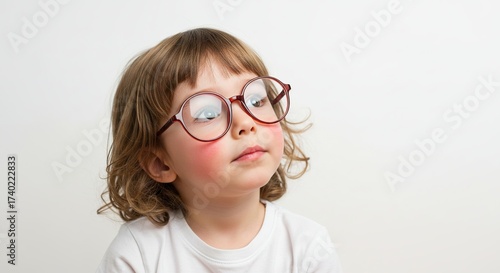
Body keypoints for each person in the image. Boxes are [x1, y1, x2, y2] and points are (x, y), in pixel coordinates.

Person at [96, 27, 342, 273]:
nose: (246, 123)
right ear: (161, 163)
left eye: (256, 100)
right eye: (208, 114)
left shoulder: (308, 248)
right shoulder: (138, 254)